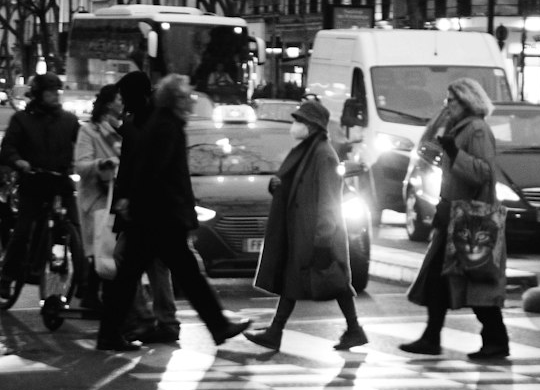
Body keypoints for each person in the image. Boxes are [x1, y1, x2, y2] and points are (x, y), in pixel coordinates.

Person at [96, 74, 251, 352]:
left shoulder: (162, 123)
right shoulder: (167, 126)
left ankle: (111, 332)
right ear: (174, 100)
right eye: (185, 97)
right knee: (183, 274)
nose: (190, 102)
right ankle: (215, 325)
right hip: (160, 217)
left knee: (138, 276)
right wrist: (172, 211)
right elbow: (158, 173)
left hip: (152, 216)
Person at [400, 77, 509, 360]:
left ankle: (495, 339)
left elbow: (483, 172)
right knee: (438, 279)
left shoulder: (476, 129)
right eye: (446, 100)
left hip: (470, 219)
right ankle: (431, 337)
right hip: (452, 215)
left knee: (476, 277)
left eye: (452, 101)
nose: (447, 106)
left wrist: (454, 152)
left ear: (467, 101)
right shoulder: (459, 127)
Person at [245, 98, 367, 353]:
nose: (294, 125)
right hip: (303, 231)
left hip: (317, 233)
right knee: (299, 280)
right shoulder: (307, 152)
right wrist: (277, 186)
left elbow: (329, 200)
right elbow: (294, 184)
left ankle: (352, 329)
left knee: (334, 281)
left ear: (311, 126)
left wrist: (323, 239)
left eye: (299, 120)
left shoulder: (324, 155)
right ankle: (277, 331)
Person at [0, 72, 80, 300]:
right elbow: (8, 148)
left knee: (77, 229)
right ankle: (7, 277)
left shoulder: (69, 121)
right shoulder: (22, 120)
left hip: (61, 182)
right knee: (22, 232)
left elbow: (81, 146)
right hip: (33, 183)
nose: (55, 96)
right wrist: (18, 161)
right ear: (39, 94)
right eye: (50, 92)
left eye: (57, 92)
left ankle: (85, 282)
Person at [114, 71, 181, 344]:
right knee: (157, 263)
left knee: (126, 257)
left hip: (144, 204)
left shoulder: (140, 123)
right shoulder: (156, 118)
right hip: (157, 204)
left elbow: (135, 166)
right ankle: (163, 320)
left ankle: (148, 318)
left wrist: (127, 199)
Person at [74, 84, 123, 313]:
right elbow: (81, 165)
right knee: (101, 245)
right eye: (118, 98)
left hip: (118, 195)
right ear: (108, 103)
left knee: (110, 246)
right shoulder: (89, 131)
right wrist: (101, 164)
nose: (122, 103)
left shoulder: (124, 129)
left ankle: (96, 295)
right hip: (96, 196)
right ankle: (94, 296)